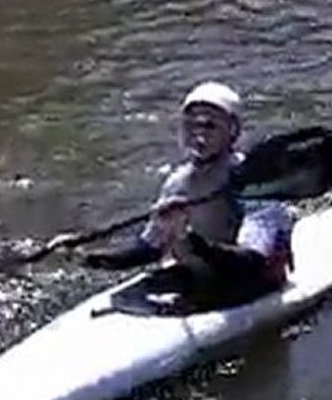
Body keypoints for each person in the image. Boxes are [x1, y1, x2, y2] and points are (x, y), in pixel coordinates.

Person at [82, 82, 294, 310]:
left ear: (233, 131)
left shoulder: (253, 181)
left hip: (251, 279)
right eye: (190, 126)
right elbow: (149, 249)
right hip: (207, 273)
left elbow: (252, 261)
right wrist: (89, 258)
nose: (198, 135)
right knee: (139, 290)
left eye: (209, 126)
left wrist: (189, 239)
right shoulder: (178, 183)